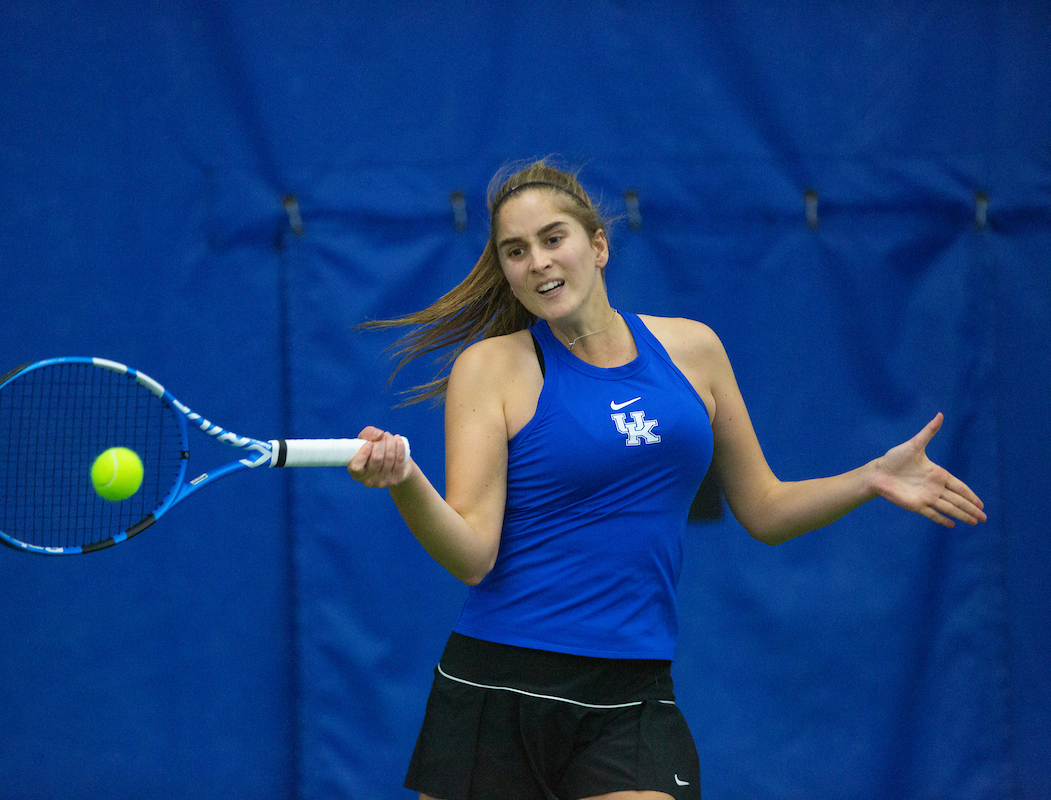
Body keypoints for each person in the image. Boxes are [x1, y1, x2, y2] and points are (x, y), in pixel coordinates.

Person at [347, 160, 986, 800]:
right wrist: (406, 479)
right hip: (497, 687)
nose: (537, 261)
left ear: (597, 245)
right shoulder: (489, 369)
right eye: (516, 251)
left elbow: (765, 509)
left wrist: (871, 477)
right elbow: (472, 555)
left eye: (552, 238)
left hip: (633, 694)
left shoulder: (694, 350)